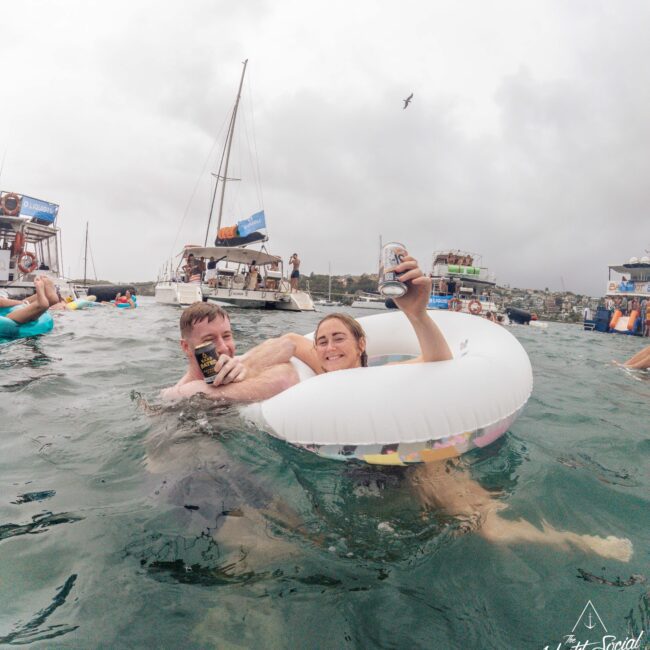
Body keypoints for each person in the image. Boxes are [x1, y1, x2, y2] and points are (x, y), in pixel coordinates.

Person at [161, 302, 299, 402]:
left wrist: (246, 368)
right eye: (210, 339)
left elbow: (287, 344)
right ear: (186, 347)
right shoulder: (182, 393)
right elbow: (285, 380)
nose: (223, 348)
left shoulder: (238, 363)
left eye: (226, 336)